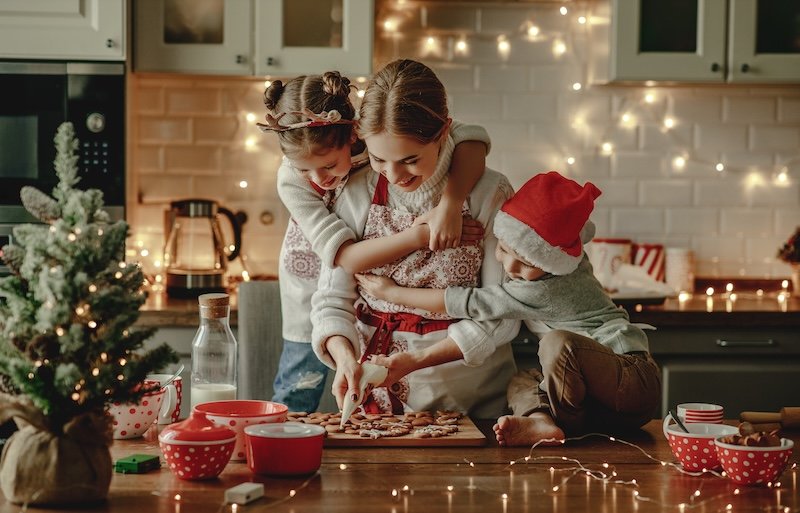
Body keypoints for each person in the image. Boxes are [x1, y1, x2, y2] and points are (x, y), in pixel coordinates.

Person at [356, 171, 662, 446]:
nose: (510, 266)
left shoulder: (545, 288)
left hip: (630, 378)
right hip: (603, 405)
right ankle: (542, 422)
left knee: (559, 343)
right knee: (520, 381)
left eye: (527, 263)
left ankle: (564, 424)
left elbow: (468, 301)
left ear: (551, 262)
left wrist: (393, 292)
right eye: (503, 249)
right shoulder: (565, 256)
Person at [260, 71, 491, 412]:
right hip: (316, 268)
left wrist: (451, 203)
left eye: (328, 165)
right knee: (300, 382)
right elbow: (346, 259)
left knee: (360, 370)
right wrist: (421, 235)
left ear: (354, 132)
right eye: (303, 170)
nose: (318, 180)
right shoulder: (292, 181)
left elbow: (470, 139)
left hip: (368, 274)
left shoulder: (376, 141)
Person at [310, 59, 520, 418]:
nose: (393, 175)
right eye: (378, 159)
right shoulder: (357, 189)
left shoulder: (487, 193)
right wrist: (345, 357)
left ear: (443, 133)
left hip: (470, 402)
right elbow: (332, 298)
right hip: (374, 402)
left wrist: (417, 360)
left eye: (409, 160)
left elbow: (501, 312)